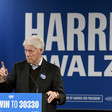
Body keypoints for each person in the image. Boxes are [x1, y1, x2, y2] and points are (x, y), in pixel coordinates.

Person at [0, 35, 66, 112]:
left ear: (41, 50)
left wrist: (56, 95)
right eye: (25, 50)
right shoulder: (18, 67)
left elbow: (62, 97)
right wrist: (2, 80)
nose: (27, 54)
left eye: (31, 51)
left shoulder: (53, 70)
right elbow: (5, 91)